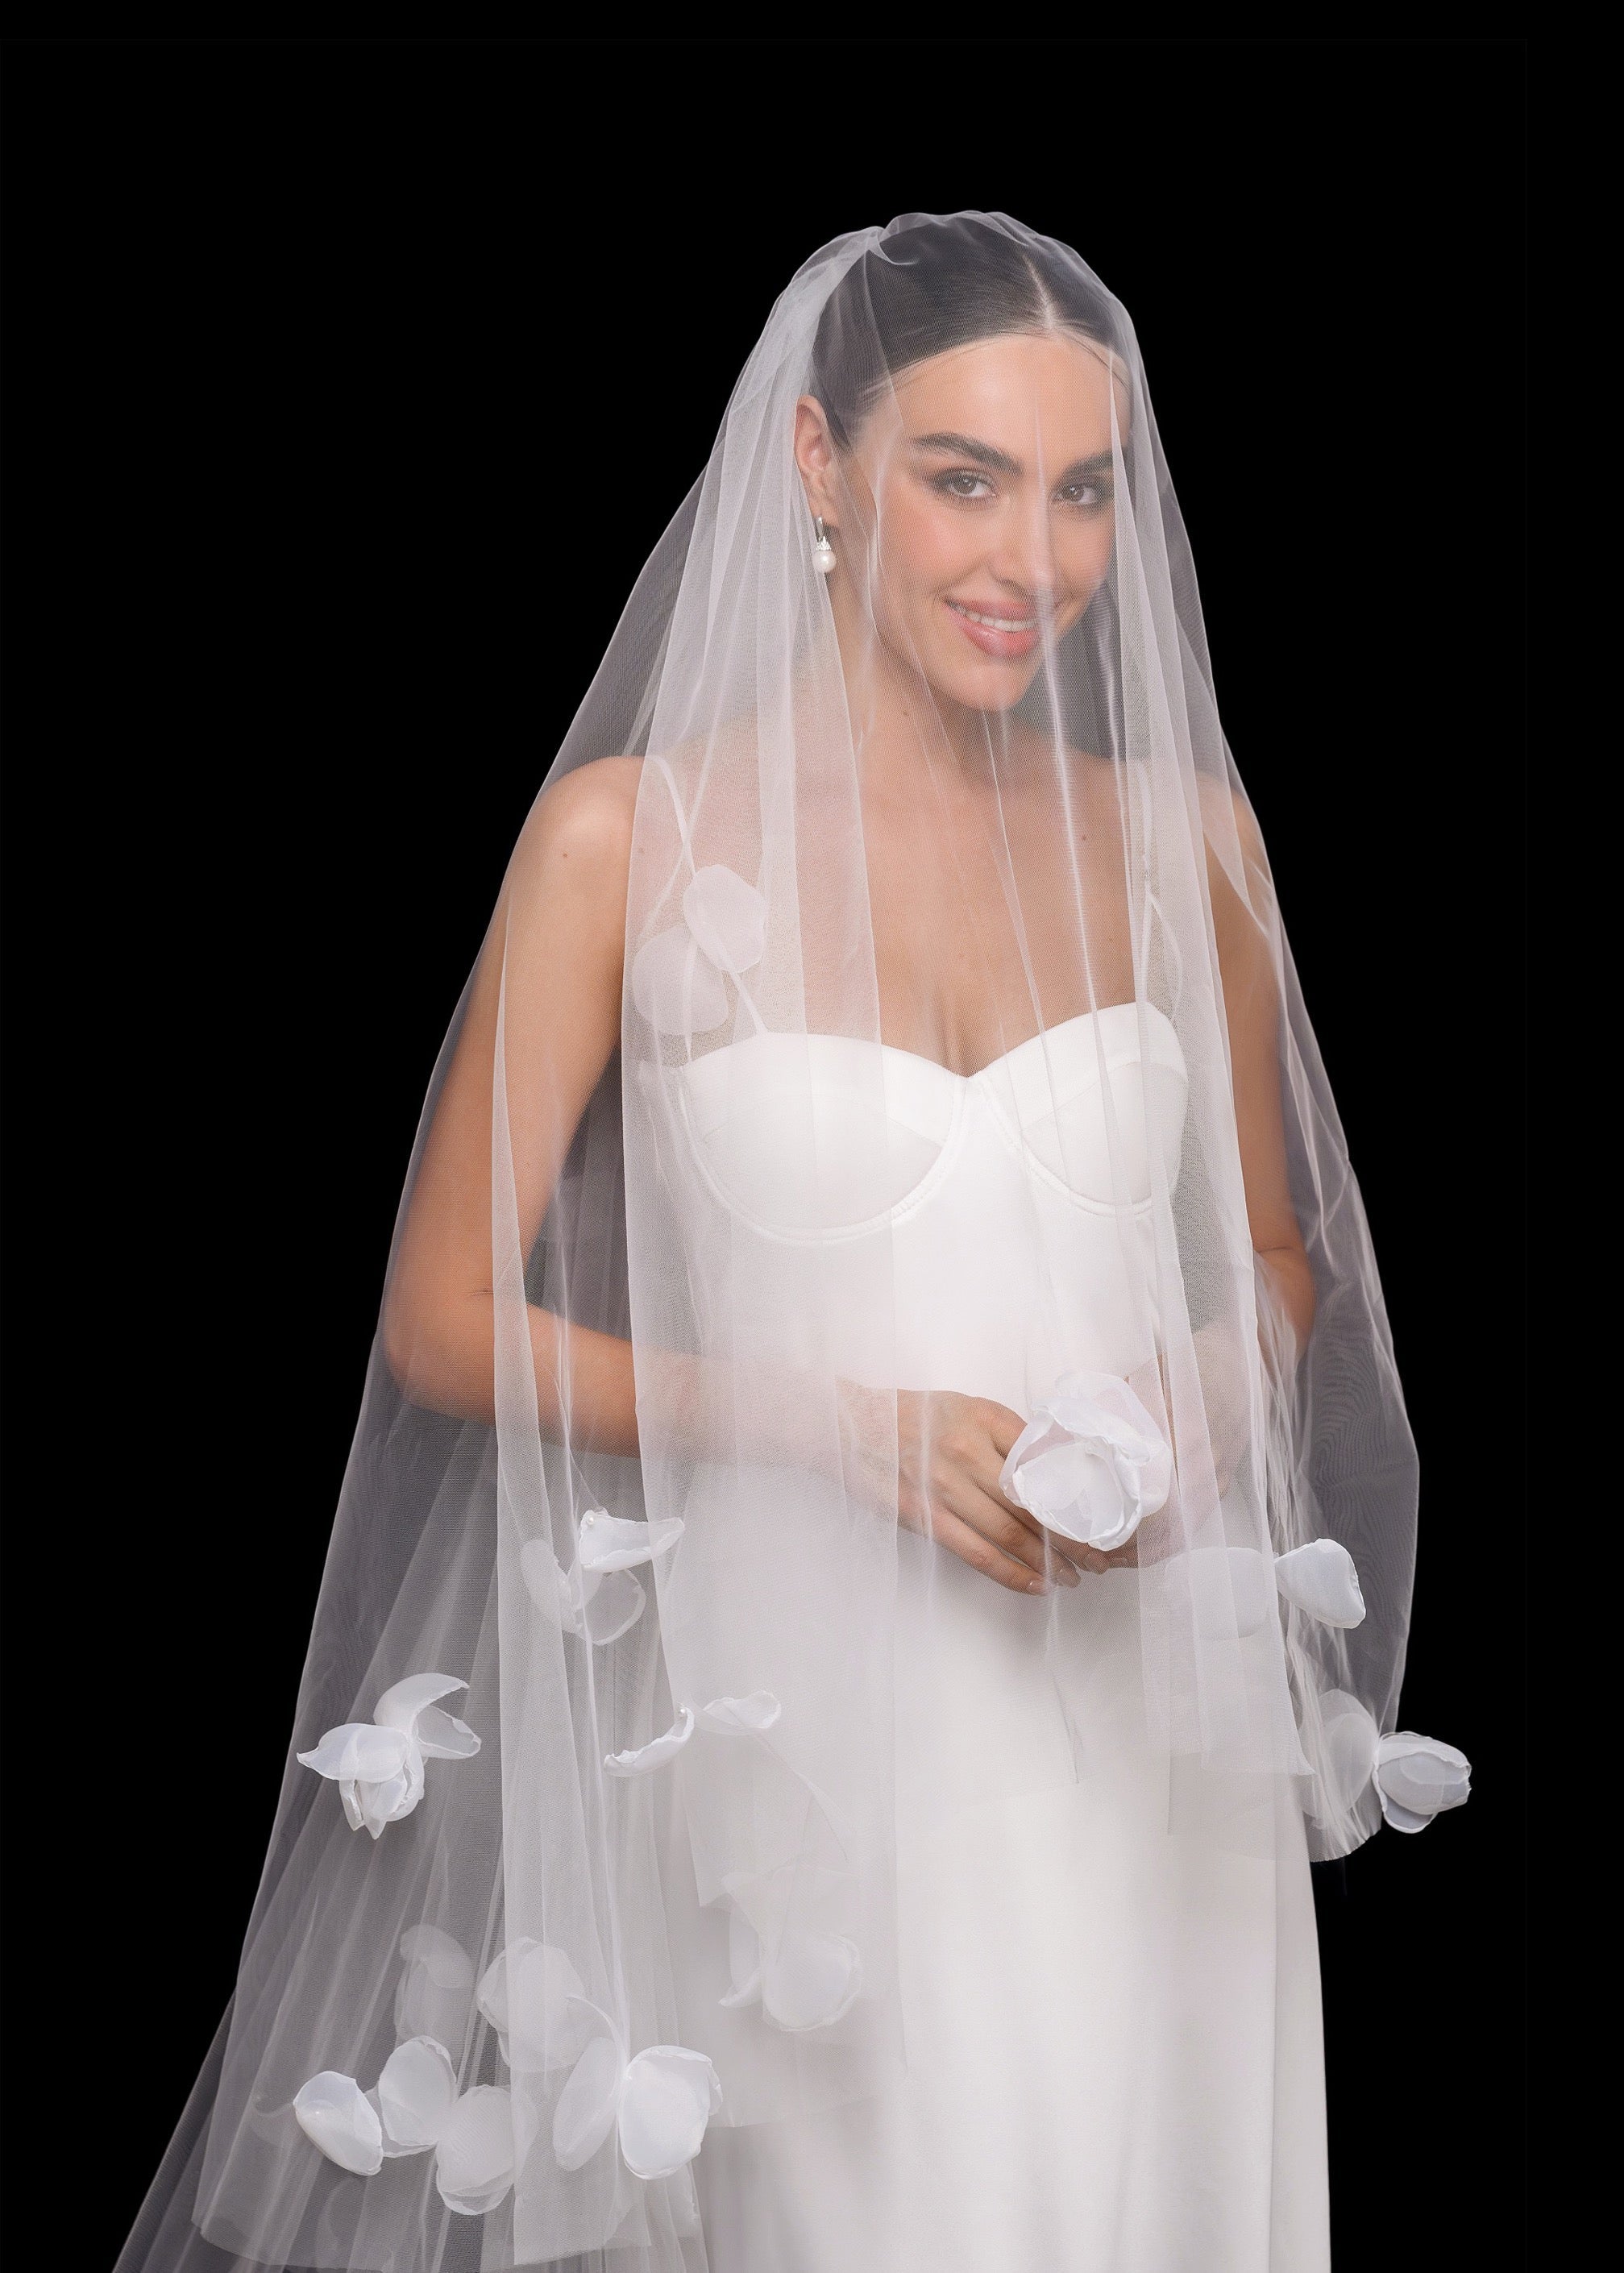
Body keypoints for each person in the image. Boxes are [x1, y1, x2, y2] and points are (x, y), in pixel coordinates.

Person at [118, 211, 1468, 2273]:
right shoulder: (628, 846)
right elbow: (442, 1318)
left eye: (1081, 488)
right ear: (822, 469)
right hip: (813, 1758)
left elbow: (1288, 1262)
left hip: (1144, 1751)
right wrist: (835, 1423)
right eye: (965, 479)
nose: (1036, 560)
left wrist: (1193, 1390)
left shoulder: (1181, 836)